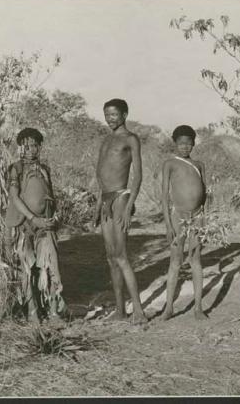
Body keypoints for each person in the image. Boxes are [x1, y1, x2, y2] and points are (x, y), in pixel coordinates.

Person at [93, 98, 147, 324]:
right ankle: (120, 310)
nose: (109, 119)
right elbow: (100, 175)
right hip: (105, 199)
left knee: (122, 256)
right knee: (110, 258)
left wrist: (129, 206)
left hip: (121, 198)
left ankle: (139, 312)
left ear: (124, 115)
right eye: (106, 114)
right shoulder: (106, 139)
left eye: (114, 115)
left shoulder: (130, 139)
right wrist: (98, 205)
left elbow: (138, 175)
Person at [4, 127, 66, 325]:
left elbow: (50, 195)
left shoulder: (44, 169)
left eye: (34, 145)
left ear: (40, 147)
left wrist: (53, 216)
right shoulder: (17, 168)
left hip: (45, 224)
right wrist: (32, 218)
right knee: (27, 268)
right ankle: (32, 312)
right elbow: (14, 197)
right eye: (26, 146)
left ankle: (54, 312)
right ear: (21, 148)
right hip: (24, 225)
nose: (31, 149)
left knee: (51, 266)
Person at [161, 125, 207, 321]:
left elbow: (206, 194)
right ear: (175, 144)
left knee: (196, 260)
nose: (185, 147)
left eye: (188, 143)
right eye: (181, 143)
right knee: (175, 261)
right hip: (177, 216)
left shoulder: (199, 165)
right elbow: (164, 196)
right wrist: (168, 225)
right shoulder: (170, 164)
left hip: (197, 216)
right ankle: (169, 308)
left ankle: (198, 307)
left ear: (193, 144)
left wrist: (205, 218)